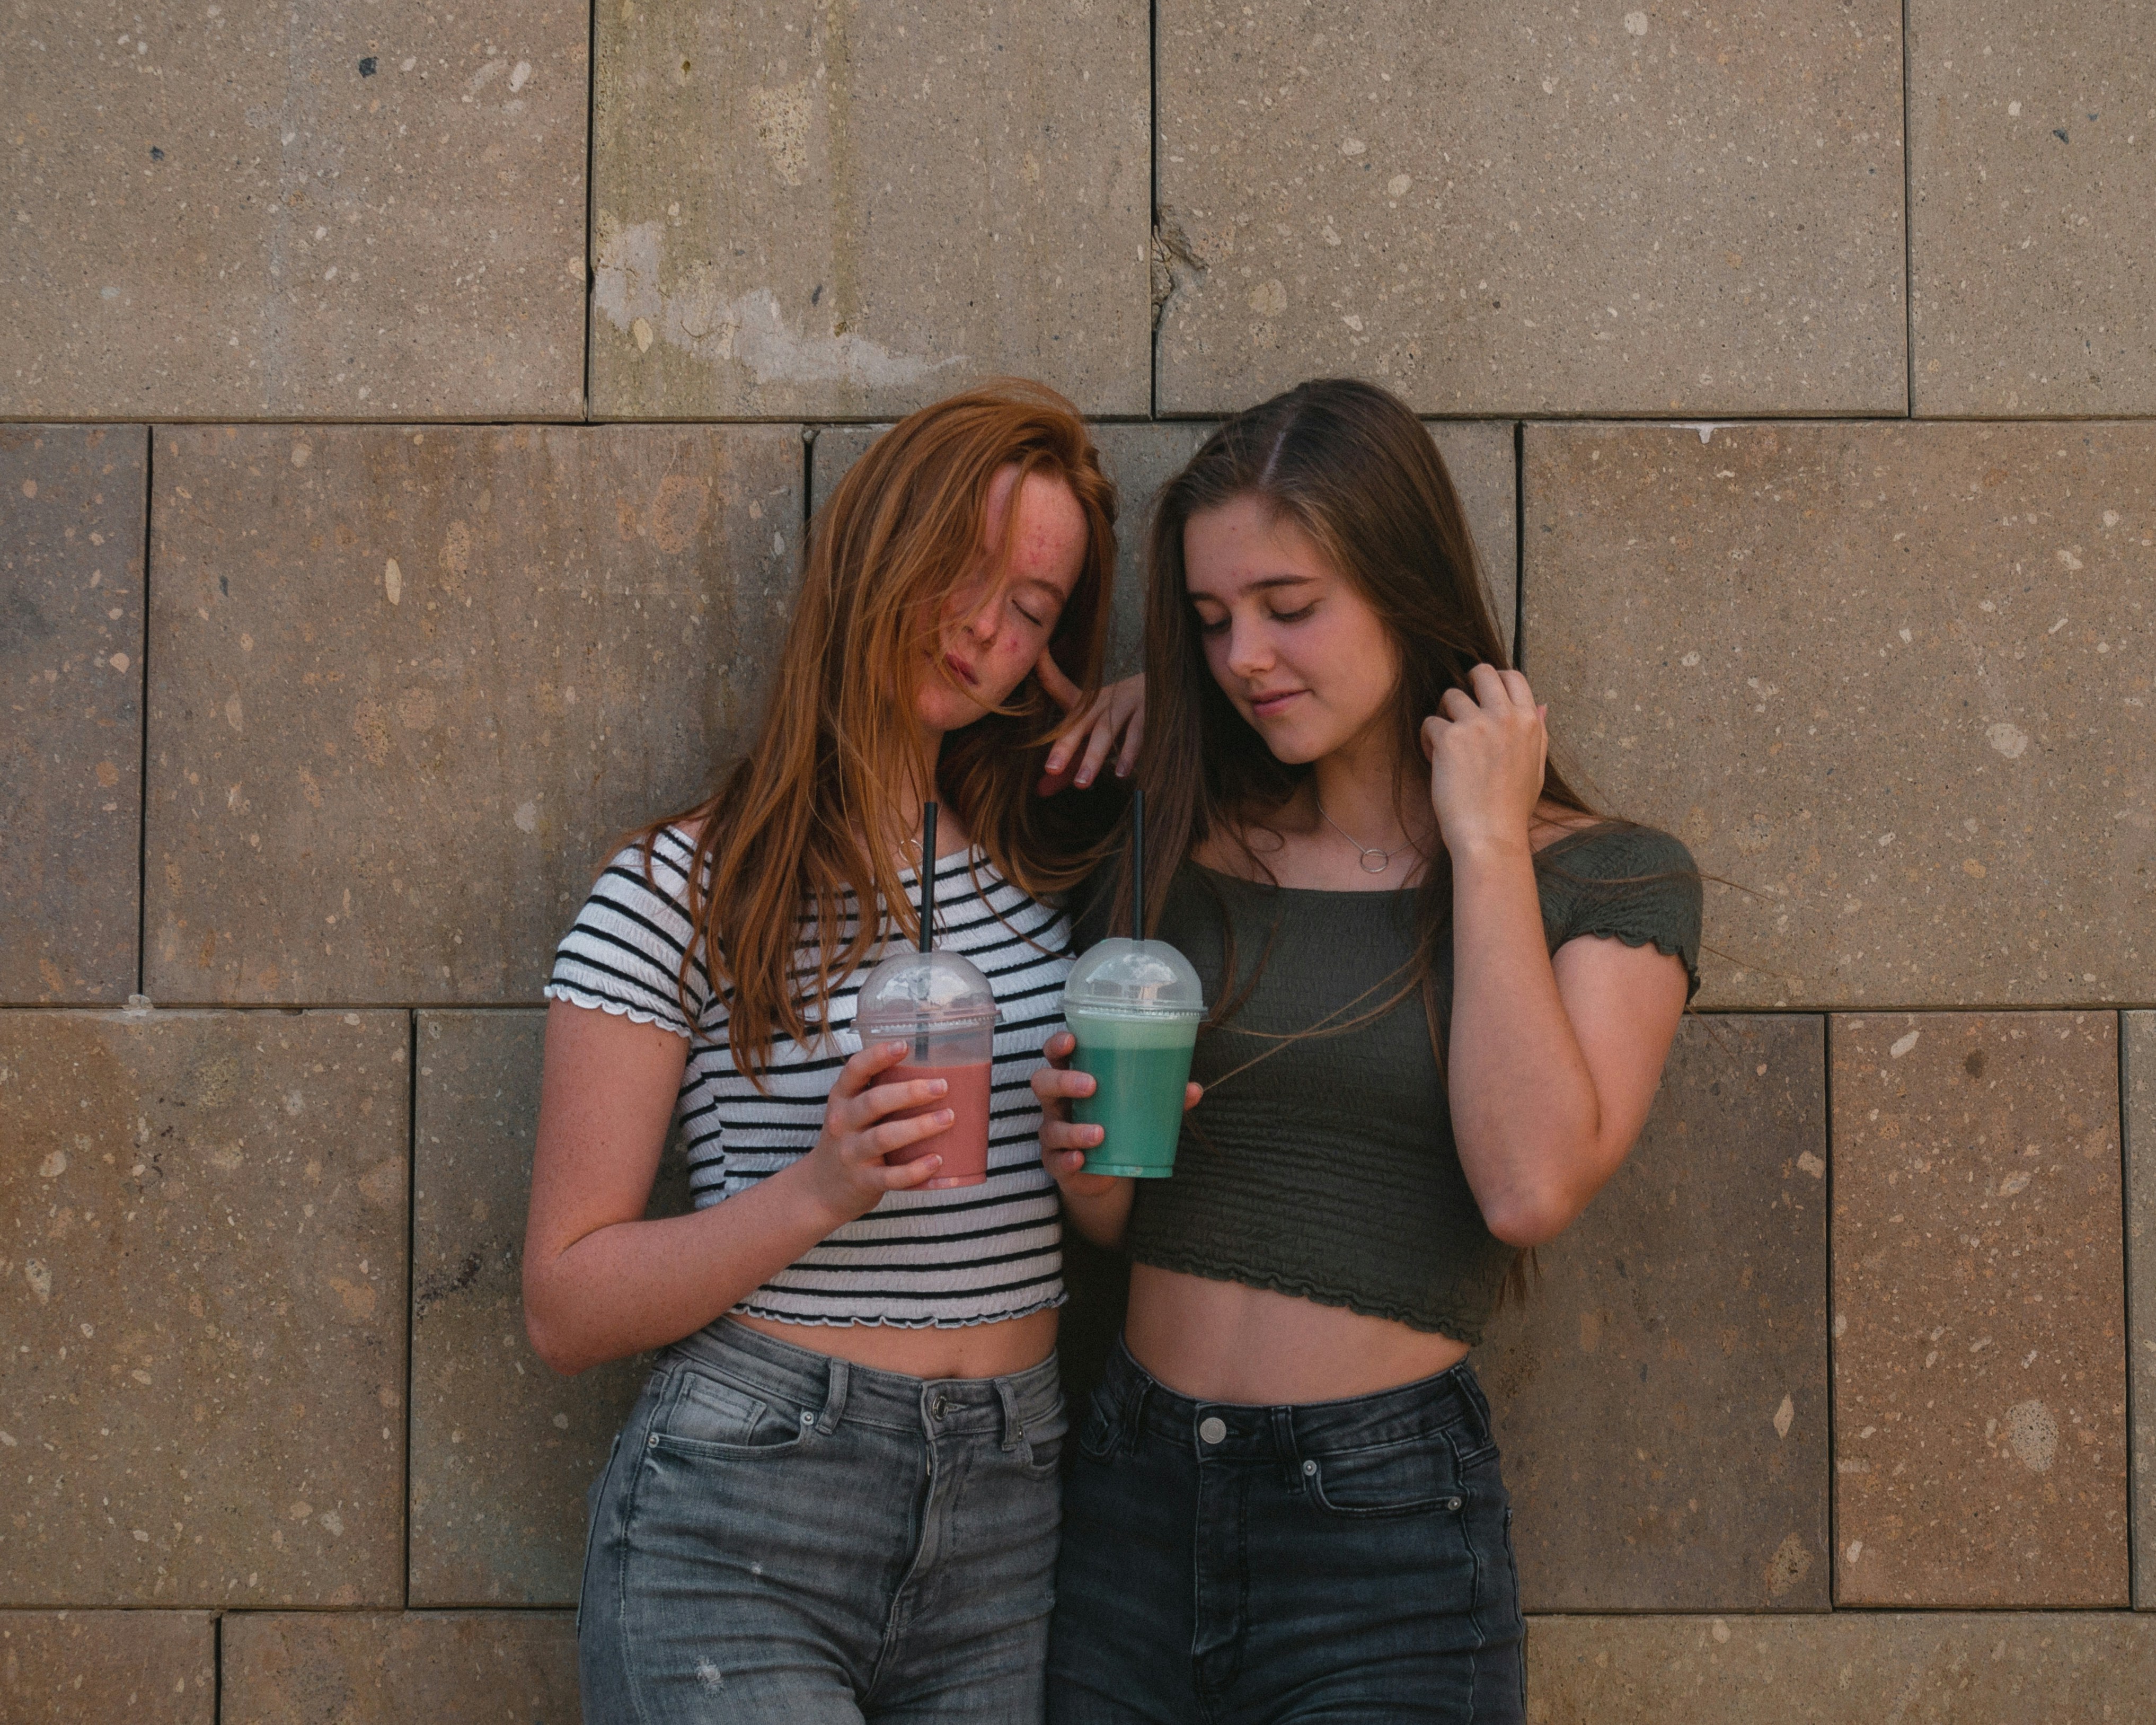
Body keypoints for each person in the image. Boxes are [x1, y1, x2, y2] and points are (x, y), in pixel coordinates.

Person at [1035, 378, 1702, 1723]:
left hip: (1381, 1525)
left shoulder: (1612, 880)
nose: (1245, 659)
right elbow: (1123, 1222)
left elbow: (1527, 1187)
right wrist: (1083, 1165)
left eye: (1291, 609)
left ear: (1404, 584)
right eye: (1212, 622)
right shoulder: (1166, 840)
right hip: (1128, 1495)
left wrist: (1486, 840)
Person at [524, 379, 1142, 1723]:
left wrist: (1174, 721)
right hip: (748, 1509)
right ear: (879, 545)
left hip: (1010, 1515)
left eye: (1033, 610)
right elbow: (565, 1303)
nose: (987, 627)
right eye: (967, 573)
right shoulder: (678, 887)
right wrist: (819, 1188)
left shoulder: (1054, 876)